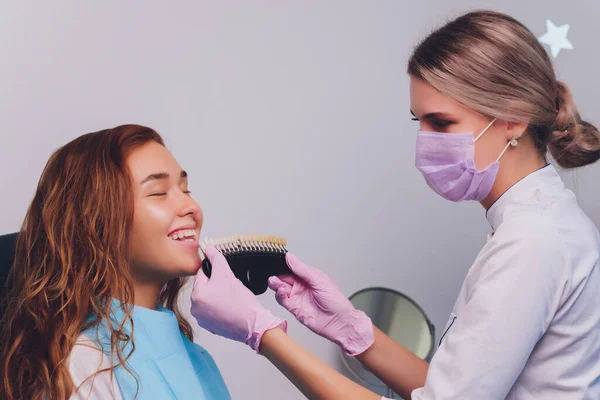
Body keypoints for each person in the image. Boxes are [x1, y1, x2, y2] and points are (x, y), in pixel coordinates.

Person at [189, 10, 600, 399]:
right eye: (417, 122)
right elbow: (450, 386)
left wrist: (263, 335)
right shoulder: (534, 225)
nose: (425, 141)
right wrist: (351, 329)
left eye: (441, 123)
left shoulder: (533, 242)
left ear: (513, 118)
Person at [0, 125, 233, 399]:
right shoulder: (80, 369)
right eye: (158, 192)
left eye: (186, 189)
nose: (192, 208)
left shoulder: (197, 358)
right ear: (96, 221)